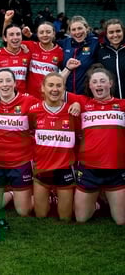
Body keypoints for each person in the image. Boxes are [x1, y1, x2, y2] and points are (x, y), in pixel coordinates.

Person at [0, 68, 38, 227]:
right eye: (1, 81)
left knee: (23, 212)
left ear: (15, 83)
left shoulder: (29, 101)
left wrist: (75, 104)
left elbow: (50, 103)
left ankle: (27, 195)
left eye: (8, 81)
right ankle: (11, 194)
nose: (5, 84)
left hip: (20, 162)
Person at [73, 66, 125, 225]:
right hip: (89, 168)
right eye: (94, 82)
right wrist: (75, 102)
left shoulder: (122, 105)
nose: (98, 85)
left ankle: (106, 198)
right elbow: (56, 86)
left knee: (121, 221)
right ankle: (98, 202)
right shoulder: (82, 102)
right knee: (81, 219)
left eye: (102, 81)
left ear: (110, 83)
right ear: (90, 86)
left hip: (116, 168)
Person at [28, 72, 79, 220]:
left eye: (59, 85)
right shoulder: (33, 111)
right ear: (43, 88)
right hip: (42, 167)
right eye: (50, 85)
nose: (55, 89)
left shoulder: (72, 112)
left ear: (64, 88)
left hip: (64, 168)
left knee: (65, 218)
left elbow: (80, 136)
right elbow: (30, 131)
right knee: (41, 215)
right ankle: (50, 197)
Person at [58, 15, 100, 95]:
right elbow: (47, 42)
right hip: (67, 95)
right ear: (70, 32)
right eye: (73, 29)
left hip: (88, 95)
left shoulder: (95, 43)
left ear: (87, 28)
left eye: (80, 28)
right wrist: (31, 36)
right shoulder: (65, 43)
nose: (77, 32)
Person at [0, 20, 31, 94]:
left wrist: (31, 35)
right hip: (2, 99)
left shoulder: (27, 53)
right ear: (5, 38)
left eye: (18, 34)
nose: (15, 37)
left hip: (22, 99)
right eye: (11, 34)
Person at [93, 18, 125, 98]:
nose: (115, 35)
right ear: (106, 34)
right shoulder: (100, 52)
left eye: (118, 31)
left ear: (123, 32)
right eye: (111, 32)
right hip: (111, 103)